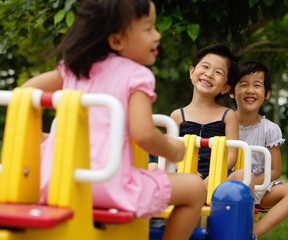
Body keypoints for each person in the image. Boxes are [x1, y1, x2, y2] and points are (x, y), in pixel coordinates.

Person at [22, 1, 206, 239]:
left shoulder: (73, 69)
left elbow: (25, 93)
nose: (157, 35)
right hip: (108, 188)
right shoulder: (137, 75)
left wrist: (45, 138)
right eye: (149, 28)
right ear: (117, 40)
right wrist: (174, 149)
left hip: (56, 183)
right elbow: (144, 134)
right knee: (194, 188)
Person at [229, 61, 288, 239]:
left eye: (257, 85)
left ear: (267, 93)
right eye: (244, 84)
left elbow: (275, 170)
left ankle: (252, 235)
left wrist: (251, 183)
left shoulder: (270, 129)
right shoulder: (224, 122)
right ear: (231, 91)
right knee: (239, 176)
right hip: (228, 184)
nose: (250, 90)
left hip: (258, 187)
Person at [170, 43, 254, 192]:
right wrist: (186, 170)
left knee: (244, 175)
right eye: (205, 67)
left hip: (217, 177)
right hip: (183, 174)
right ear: (191, 71)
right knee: (152, 167)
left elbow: (232, 156)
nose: (209, 74)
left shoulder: (228, 115)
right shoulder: (177, 116)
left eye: (218, 72)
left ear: (226, 88)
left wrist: (213, 175)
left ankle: (198, 193)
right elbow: (171, 153)